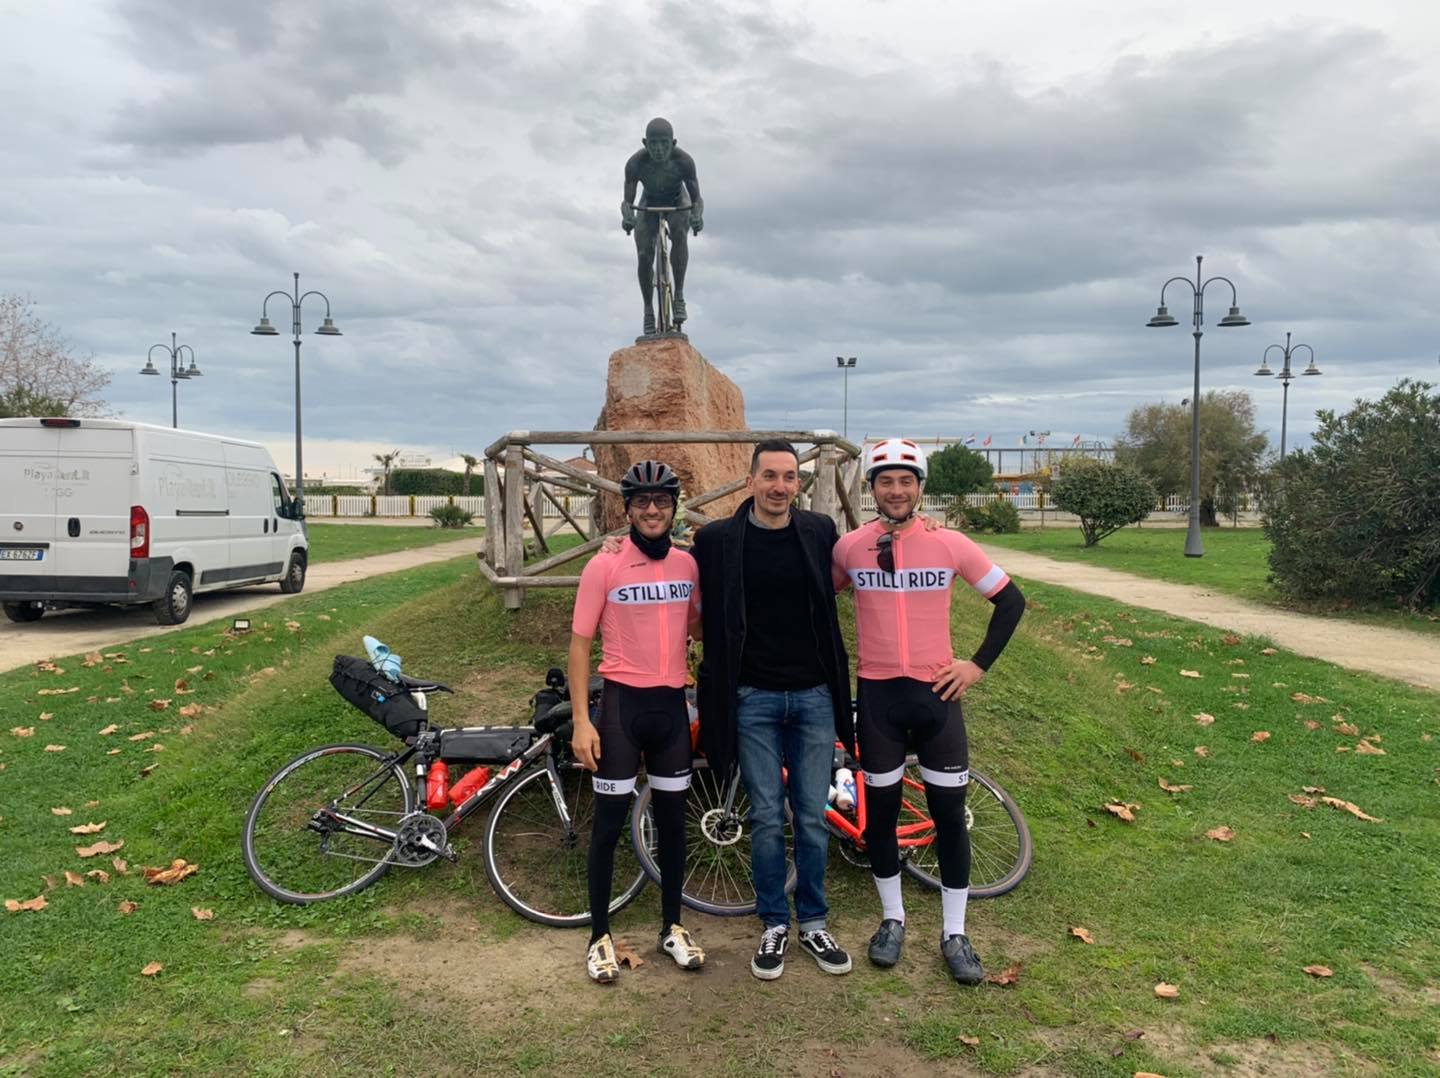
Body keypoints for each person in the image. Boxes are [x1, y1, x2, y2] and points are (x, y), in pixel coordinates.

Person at [832, 438, 1026, 985]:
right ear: (871, 489)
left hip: (937, 698)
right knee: (883, 818)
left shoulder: (949, 543)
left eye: (906, 481)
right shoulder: (850, 547)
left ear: (920, 488)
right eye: (885, 481)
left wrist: (976, 667)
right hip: (877, 699)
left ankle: (955, 931)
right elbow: (806, 593)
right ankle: (892, 919)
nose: (896, 490)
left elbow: (1011, 602)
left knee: (948, 818)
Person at [690, 440, 855, 981]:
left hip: (813, 695)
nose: (779, 486)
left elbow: (854, 569)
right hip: (752, 697)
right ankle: (772, 923)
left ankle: (813, 921)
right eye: (769, 476)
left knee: (810, 816)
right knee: (764, 816)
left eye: (789, 477)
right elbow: (672, 580)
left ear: (798, 483)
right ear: (750, 480)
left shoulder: (817, 531)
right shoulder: (715, 540)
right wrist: (611, 556)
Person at [568, 460, 705, 984]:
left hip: (671, 707)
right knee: (606, 826)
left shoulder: (688, 566)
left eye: (662, 502)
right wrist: (583, 720)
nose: (652, 510)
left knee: (673, 825)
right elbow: (580, 648)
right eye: (642, 502)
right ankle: (598, 934)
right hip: (621, 707)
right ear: (626, 508)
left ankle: (672, 925)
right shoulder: (604, 566)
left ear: (674, 509)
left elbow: (695, 623)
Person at [622, 117, 703, 335]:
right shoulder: (635, 164)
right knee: (644, 253)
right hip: (649, 203)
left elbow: (696, 200)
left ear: (673, 143)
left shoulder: (684, 162)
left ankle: (679, 296)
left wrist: (697, 215)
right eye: (653, 144)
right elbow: (627, 203)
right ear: (645, 143)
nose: (658, 149)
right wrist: (628, 216)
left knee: (679, 233)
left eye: (664, 144)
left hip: (678, 201)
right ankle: (648, 308)